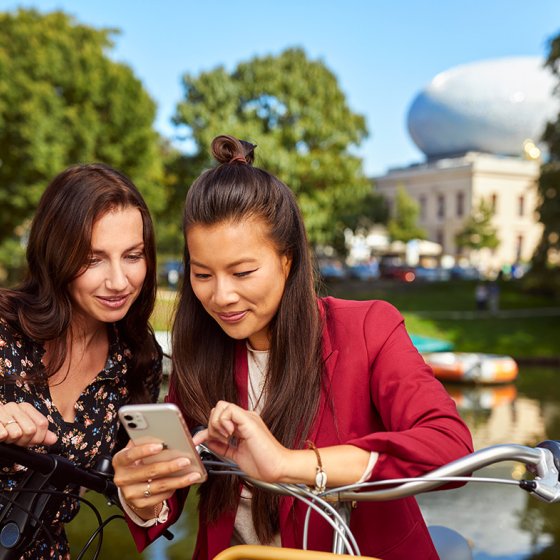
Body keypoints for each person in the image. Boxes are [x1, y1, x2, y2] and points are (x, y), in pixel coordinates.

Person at [113, 136, 473, 560]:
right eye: (203, 274)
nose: (221, 296)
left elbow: (448, 446)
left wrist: (288, 463)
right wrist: (143, 498)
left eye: (243, 271)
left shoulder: (368, 327)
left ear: (287, 260)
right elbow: (170, 496)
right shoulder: (201, 351)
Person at [0, 163, 163, 559]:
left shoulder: (137, 357)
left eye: (133, 255)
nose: (119, 281)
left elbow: (133, 491)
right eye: (93, 259)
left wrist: (152, 492)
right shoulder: (4, 330)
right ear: (57, 255)